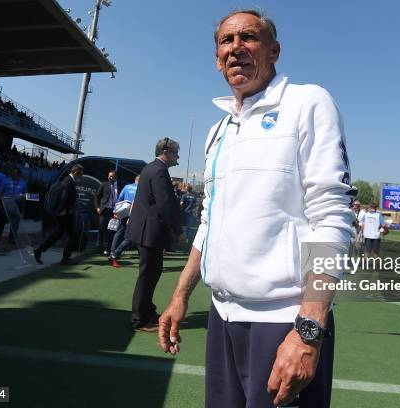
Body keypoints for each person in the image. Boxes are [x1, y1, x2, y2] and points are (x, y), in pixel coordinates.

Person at [157, 10, 356, 408]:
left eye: (248, 38)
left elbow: (332, 215)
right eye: (226, 41)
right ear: (217, 57)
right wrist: (180, 295)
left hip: (283, 323)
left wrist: (308, 329)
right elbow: (210, 223)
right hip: (222, 315)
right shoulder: (220, 130)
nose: (236, 48)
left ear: (274, 51)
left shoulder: (307, 102)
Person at [126, 138, 184, 332]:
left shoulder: (151, 168)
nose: (177, 157)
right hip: (149, 233)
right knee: (148, 276)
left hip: (147, 232)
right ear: (166, 152)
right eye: (176, 153)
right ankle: (140, 319)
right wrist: (178, 231)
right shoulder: (159, 171)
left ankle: (147, 312)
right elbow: (165, 204)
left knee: (150, 274)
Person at [34, 165, 83, 265]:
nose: (81, 175)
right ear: (75, 172)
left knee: (58, 233)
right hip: (65, 213)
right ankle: (65, 258)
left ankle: (39, 250)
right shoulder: (69, 181)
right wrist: (67, 210)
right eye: (80, 173)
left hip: (63, 212)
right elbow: (64, 197)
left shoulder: (68, 180)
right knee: (71, 234)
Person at [109, 175, 139, 268]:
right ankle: (115, 254)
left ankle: (113, 252)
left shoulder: (127, 187)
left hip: (124, 212)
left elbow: (120, 198)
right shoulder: (141, 189)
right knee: (132, 236)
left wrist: (116, 210)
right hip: (135, 214)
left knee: (119, 232)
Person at [0, 167, 27, 244]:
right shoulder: (6, 180)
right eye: (11, 172)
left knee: (15, 223)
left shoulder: (23, 183)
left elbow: (25, 196)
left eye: (14, 173)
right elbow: (0, 193)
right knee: (2, 221)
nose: (12, 174)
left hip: (17, 204)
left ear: (19, 174)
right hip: (6, 203)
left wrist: (23, 210)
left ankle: (12, 238)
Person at [95, 170, 118, 255]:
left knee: (111, 230)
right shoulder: (103, 184)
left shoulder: (119, 186)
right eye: (109, 176)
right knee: (101, 229)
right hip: (104, 210)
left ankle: (108, 249)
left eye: (111, 176)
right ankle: (98, 249)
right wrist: (97, 207)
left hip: (114, 211)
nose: (109, 177)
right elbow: (97, 196)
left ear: (116, 177)